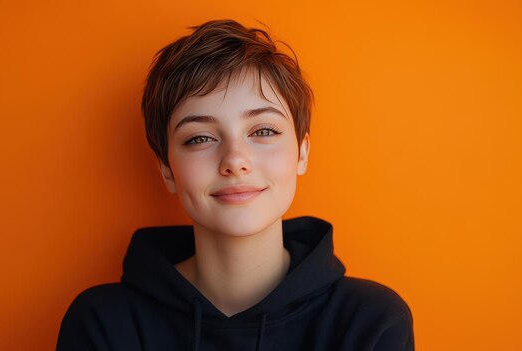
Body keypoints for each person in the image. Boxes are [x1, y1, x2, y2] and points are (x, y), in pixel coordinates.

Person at [56, 19, 414, 351]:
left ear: (302, 153)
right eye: (199, 138)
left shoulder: (370, 321)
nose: (234, 160)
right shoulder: (103, 324)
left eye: (263, 131)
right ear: (166, 169)